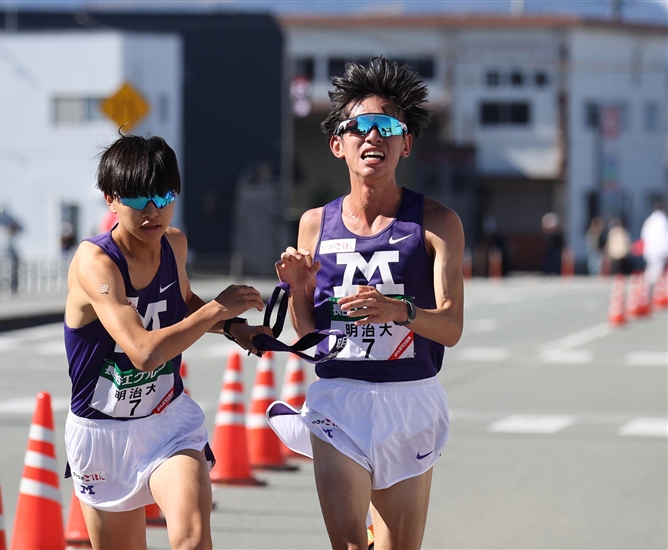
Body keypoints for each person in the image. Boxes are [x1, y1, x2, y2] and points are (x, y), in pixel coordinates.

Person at [270, 57, 464, 550]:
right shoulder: (315, 223)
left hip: (410, 399)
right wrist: (298, 287)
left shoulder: (437, 223)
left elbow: (451, 327)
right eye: (357, 127)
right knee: (351, 545)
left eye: (386, 126)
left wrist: (399, 311)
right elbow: (309, 332)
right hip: (341, 398)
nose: (372, 136)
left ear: (405, 142)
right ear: (338, 145)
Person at [63, 134, 271, 549]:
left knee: (192, 539)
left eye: (164, 195)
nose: (153, 211)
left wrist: (235, 329)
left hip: (167, 422)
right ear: (111, 200)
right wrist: (219, 310)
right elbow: (143, 352)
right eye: (138, 199)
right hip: (102, 431)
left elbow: (183, 302)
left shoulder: (174, 243)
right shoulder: (96, 263)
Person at [640, 200, 668, 296]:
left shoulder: (649, 220)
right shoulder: (662, 220)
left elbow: (643, 235)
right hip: (659, 250)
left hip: (650, 250)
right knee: (657, 272)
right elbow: (664, 236)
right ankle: (653, 293)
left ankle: (646, 291)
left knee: (650, 270)